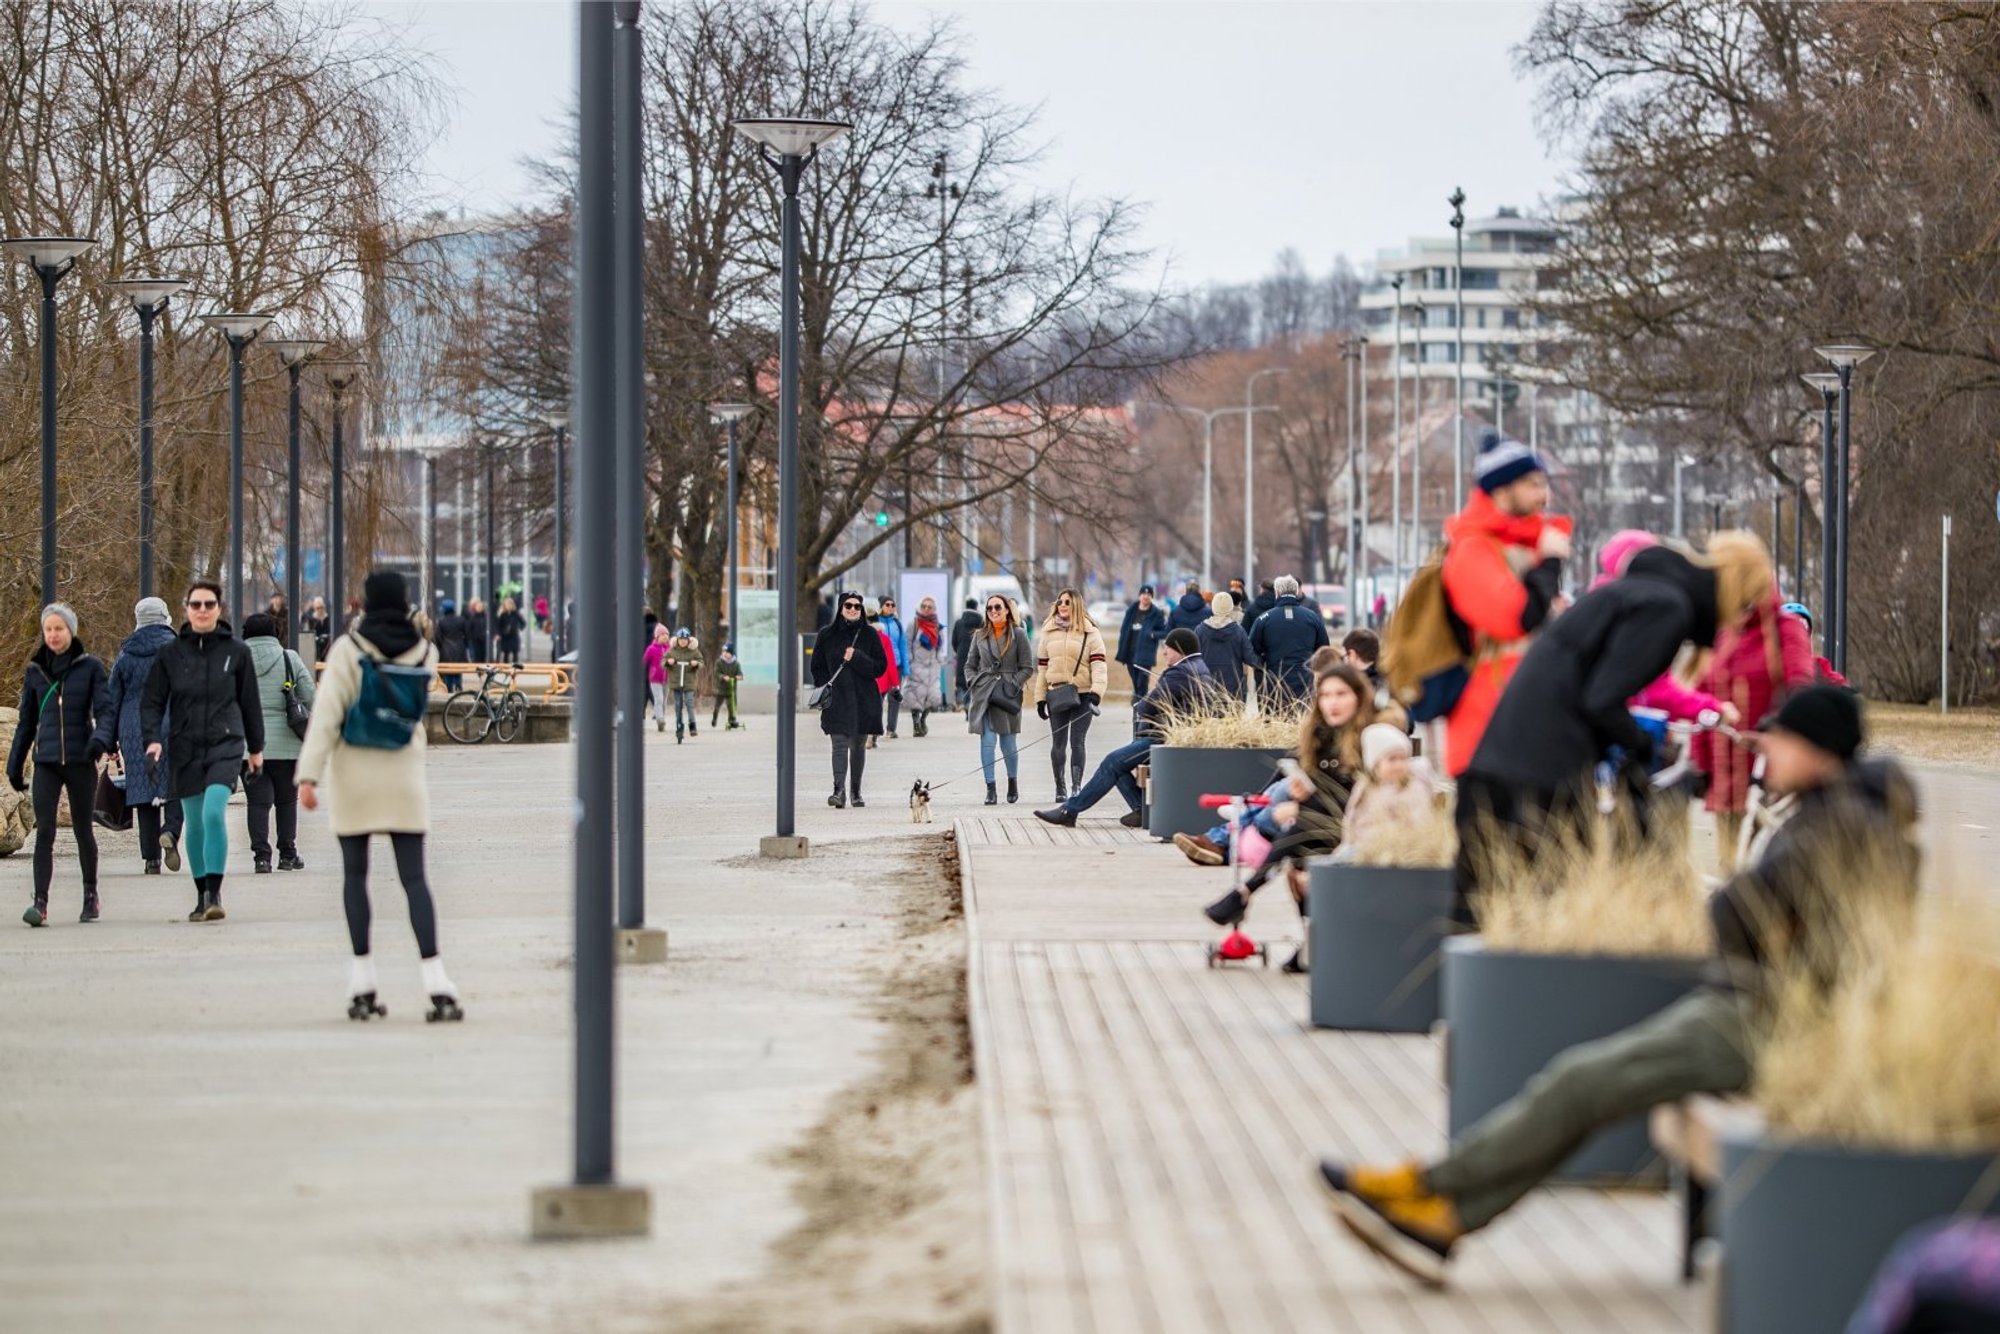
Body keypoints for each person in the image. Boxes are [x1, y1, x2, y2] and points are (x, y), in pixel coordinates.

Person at [1318, 686, 1918, 1287]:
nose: (1770, 752)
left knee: (1580, 1083)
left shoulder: (1838, 826)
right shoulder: (1841, 814)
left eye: (1782, 739)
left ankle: (1431, 1191)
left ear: (1819, 750)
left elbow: (1734, 917)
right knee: (1581, 1084)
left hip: (1774, 1025)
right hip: (1755, 1006)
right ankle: (1443, 1211)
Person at [1453, 535, 1771, 906]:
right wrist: (1642, 744)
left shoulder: (1639, 594)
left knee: (1481, 909)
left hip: (1505, 760)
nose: (1738, 619)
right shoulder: (1666, 607)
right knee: (1542, 907)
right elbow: (1602, 700)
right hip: (1541, 776)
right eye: (1746, 605)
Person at [296, 570, 462, 1023]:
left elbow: (327, 715)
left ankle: (363, 979)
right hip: (403, 776)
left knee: (356, 877)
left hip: (354, 774)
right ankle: (436, 980)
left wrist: (308, 776)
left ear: (365, 604)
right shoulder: (423, 651)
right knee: (415, 880)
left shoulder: (348, 649)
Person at [1202, 663, 1374, 969]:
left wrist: (1302, 807)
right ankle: (1309, 946)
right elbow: (1323, 796)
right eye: (1325, 695)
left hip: (1365, 829)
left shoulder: (1370, 738)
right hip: (1322, 830)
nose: (1332, 702)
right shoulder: (1320, 737)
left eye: (1341, 694)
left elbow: (1363, 800)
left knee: (1299, 831)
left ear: (1359, 697)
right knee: (1297, 861)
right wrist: (1300, 794)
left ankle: (1244, 892)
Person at [1435, 431, 1573, 777]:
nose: (1544, 494)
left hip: (1523, 719)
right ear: (1500, 489)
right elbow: (1513, 619)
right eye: (1532, 483)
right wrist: (1550, 562)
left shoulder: (1522, 547)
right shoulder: (1473, 547)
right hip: (1488, 728)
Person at [140, 580, 265, 924]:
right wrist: (152, 739)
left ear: (219, 609)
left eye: (209, 604)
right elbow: (151, 701)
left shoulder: (236, 652)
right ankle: (200, 895)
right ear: (186, 609)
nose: (202, 610)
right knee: (194, 821)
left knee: (213, 813)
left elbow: (250, 702)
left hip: (225, 743)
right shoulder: (170, 653)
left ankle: (215, 891)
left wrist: (256, 749)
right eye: (196, 605)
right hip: (185, 746)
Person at [1693, 555, 1815, 872]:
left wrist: (1780, 724)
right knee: (1729, 864)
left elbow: (1800, 683)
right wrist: (1700, 762)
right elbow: (1702, 696)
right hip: (1726, 767)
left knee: (1768, 858)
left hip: (1768, 766)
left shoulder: (1783, 629)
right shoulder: (1723, 634)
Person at [1035, 627, 1211, 828]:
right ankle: (1141, 811)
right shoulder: (1199, 667)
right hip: (1182, 738)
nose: (1164, 652)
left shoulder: (1179, 672)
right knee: (1118, 764)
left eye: (1168, 648)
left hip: (1166, 739)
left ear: (1180, 649)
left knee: (1112, 762)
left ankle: (1070, 810)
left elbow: (1146, 706)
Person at [8, 604, 111, 926]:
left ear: (71, 631)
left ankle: (90, 895)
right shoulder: (35, 671)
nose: (53, 634)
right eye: (48, 629)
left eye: (59, 628)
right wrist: (14, 763)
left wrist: (100, 740)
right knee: (46, 833)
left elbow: (106, 711)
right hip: (47, 762)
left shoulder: (91, 667)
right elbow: (26, 722)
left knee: (83, 830)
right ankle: (40, 903)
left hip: (81, 759)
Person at [99, 598, 184, 877]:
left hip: (133, 727)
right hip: (171, 722)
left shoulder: (127, 653)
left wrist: (110, 742)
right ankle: (170, 831)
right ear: (164, 616)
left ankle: (151, 860)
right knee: (175, 783)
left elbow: (113, 700)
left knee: (144, 789)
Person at [240, 612, 316, 875]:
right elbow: (309, 695)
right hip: (286, 742)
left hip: (249, 745)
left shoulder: (237, 658)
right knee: (286, 801)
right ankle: (288, 853)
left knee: (257, 802)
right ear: (274, 632)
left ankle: (262, 858)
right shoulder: (289, 658)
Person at [1032, 589, 1108, 803]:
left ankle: (1076, 786)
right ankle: (1060, 787)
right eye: (1059, 602)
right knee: (1058, 743)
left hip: (1083, 695)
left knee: (1077, 741)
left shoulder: (1090, 632)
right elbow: (1042, 670)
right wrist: (1040, 699)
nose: (1062, 605)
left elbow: (1100, 666)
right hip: (1056, 693)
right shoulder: (1047, 632)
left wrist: (1096, 692)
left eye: (1067, 602)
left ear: (1076, 605)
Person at [811, 593, 886, 808]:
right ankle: (838, 791)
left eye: (857, 606)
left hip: (864, 700)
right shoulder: (827, 634)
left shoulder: (870, 634)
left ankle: (856, 791)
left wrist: (858, 657)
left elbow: (880, 667)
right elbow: (816, 666)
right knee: (839, 744)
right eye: (848, 605)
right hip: (837, 700)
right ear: (840, 608)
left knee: (858, 745)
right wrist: (826, 685)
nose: (853, 609)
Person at [965, 594, 1036, 805]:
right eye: (989, 608)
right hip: (984, 693)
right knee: (987, 741)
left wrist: (1012, 684)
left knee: (1008, 743)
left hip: (1007, 695)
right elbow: (969, 664)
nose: (993, 611)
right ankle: (990, 788)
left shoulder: (1018, 634)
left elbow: (1027, 667)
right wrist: (973, 682)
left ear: (1006, 610)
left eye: (997, 607)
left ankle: (1012, 781)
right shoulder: (979, 635)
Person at [1337, 724, 1437, 857]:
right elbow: (1352, 819)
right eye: (1392, 759)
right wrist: (1348, 843)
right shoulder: (1365, 789)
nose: (1399, 765)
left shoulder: (1412, 789)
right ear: (1375, 765)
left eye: (1403, 759)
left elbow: (1421, 822)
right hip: (1364, 848)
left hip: (1400, 850)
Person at [1248, 574, 1331, 706]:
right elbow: (1324, 648)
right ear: (1296, 591)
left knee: (1275, 721)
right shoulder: (1312, 617)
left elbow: (1251, 650)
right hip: (1305, 682)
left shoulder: (1264, 618)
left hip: (1273, 683)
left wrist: (1260, 671)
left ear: (1277, 592)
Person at [1196, 590, 1259, 702]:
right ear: (1230, 608)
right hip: (1233, 690)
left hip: (1206, 688)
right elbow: (1251, 659)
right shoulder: (1238, 631)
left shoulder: (1200, 630)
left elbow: (1192, 659)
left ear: (1213, 607)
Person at [904, 597, 948, 736]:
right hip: (917, 665)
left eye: (930, 606)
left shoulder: (937, 625)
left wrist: (939, 659)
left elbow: (940, 644)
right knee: (915, 696)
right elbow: (908, 642)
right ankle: (916, 723)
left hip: (932, 666)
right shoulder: (914, 624)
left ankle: (923, 719)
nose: (927, 609)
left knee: (932, 697)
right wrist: (910, 660)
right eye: (924, 606)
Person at [1115, 585, 1168, 700]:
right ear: (1139, 596)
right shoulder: (1131, 611)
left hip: (1145, 655)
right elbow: (1124, 629)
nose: (1146, 596)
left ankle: (1139, 710)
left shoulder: (1156, 613)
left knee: (1142, 684)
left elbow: (1165, 631)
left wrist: (1153, 634)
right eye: (1143, 594)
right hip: (1130, 654)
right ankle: (1138, 706)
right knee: (1136, 684)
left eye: (1149, 595)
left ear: (1151, 597)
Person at [1782, 602, 1849, 686]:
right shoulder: (1768, 672)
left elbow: (1839, 684)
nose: (1796, 632)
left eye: (1802, 625)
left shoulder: (1820, 669)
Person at [874, 597, 909, 741]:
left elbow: (903, 646)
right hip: (880, 665)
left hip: (896, 665)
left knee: (894, 698)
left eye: (892, 605)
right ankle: (875, 728)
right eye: (887, 605)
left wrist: (905, 668)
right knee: (878, 698)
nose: (890, 607)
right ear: (881, 606)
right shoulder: (876, 623)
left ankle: (891, 729)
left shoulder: (897, 624)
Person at [867, 608, 899, 750]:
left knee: (868, 707)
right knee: (877, 707)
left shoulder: (861, 637)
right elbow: (890, 661)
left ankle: (869, 734)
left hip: (866, 678)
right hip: (882, 679)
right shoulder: (885, 639)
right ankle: (873, 734)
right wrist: (895, 682)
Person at [665, 629, 703, 743]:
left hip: (689, 681)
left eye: (684, 640)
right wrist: (668, 662)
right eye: (680, 640)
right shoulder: (672, 651)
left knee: (689, 702)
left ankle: (692, 724)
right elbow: (663, 661)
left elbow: (701, 662)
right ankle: (679, 725)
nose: (682, 642)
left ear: (688, 640)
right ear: (677, 640)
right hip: (676, 682)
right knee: (678, 704)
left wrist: (696, 663)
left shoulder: (694, 651)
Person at [951, 598, 983, 708]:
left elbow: (954, 642)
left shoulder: (959, 623)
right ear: (976, 607)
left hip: (962, 655)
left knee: (964, 682)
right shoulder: (982, 623)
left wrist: (959, 651)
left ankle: (966, 703)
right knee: (976, 680)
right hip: (979, 656)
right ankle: (972, 704)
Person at [432, 599, 469, 690]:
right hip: (459, 647)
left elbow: (438, 638)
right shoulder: (461, 620)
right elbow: (467, 635)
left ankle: (449, 688)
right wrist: (465, 645)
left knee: (448, 670)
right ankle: (458, 685)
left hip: (446, 648)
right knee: (458, 669)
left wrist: (440, 648)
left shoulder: (441, 622)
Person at [643, 625, 671, 732]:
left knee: (664, 701)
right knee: (658, 699)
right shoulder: (651, 649)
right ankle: (660, 720)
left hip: (667, 679)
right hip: (655, 679)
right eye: (662, 635)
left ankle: (661, 718)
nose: (665, 637)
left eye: (667, 635)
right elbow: (644, 661)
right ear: (657, 636)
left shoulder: (669, 649)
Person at [710, 643, 744, 730]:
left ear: (731, 654)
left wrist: (738, 677)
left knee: (731, 706)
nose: (725, 654)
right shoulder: (719, 662)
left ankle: (731, 720)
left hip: (731, 690)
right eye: (723, 652)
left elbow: (740, 674)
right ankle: (714, 718)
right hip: (721, 689)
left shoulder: (736, 664)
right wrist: (723, 677)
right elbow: (717, 673)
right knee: (717, 706)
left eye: (727, 652)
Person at [495, 596, 526, 663]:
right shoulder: (502, 615)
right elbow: (498, 625)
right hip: (505, 636)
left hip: (514, 635)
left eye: (510, 604)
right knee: (506, 653)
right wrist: (498, 634)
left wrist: (519, 627)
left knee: (515, 653)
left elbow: (523, 623)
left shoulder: (516, 614)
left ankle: (515, 667)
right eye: (507, 605)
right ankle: (506, 668)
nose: (509, 606)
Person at [304, 597, 331, 664]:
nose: (320, 610)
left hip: (327, 648)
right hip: (316, 649)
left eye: (321, 607)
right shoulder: (311, 620)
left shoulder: (328, 618)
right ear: (314, 608)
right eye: (318, 608)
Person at [464, 597, 490, 662]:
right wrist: (470, 636)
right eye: (478, 607)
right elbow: (469, 628)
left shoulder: (486, 616)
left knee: (483, 655)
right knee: (476, 656)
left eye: (481, 607)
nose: (480, 608)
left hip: (483, 639)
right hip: (475, 639)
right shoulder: (473, 617)